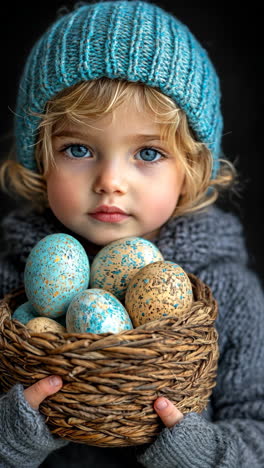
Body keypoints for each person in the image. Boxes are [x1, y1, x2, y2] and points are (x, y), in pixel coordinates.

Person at [0, 0, 263, 466]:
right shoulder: (10, 282)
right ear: (40, 157)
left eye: (147, 153)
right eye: (78, 148)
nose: (110, 181)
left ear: (193, 167)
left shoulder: (229, 294)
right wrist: (11, 440)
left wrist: (196, 454)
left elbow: (257, 435)